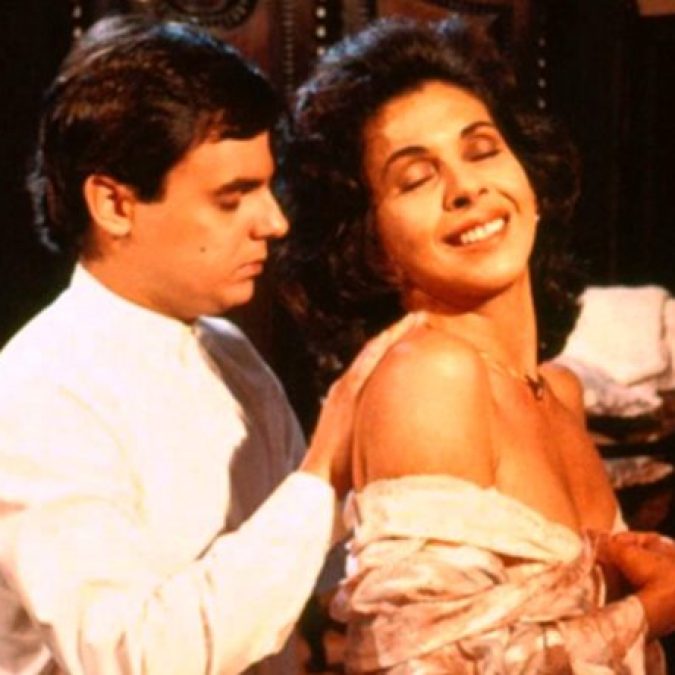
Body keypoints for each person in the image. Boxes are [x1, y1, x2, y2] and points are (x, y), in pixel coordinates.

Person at [0, 14, 419, 675]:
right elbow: (135, 657)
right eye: (232, 197)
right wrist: (323, 471)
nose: (273, 222)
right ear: (114, 205)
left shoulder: (229, 352)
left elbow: (314, 574)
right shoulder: (36, 393)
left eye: (266, 186)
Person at [276, 16, 675, 673]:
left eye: (482, 149)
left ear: (529, 179)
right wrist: (646, 611)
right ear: (373, 249)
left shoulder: (557, 390)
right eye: (415, 178)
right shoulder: (429, 376)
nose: (466, 188)